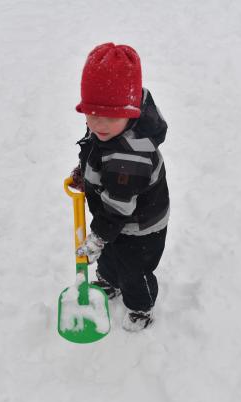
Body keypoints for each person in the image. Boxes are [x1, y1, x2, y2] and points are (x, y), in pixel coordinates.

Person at [73, 42, 170, 331]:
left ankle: (141, 308)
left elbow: (119, 208)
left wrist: (98, 237)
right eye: (91, 114)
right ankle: (108, 280)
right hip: (114, 218)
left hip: (140, 227)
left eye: (110, 117)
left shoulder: (131, 156)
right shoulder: (108, 129)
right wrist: (84, 173)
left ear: (131, 112)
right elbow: (96, 154)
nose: (98, 124)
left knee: (134, 271)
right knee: (111, 258)